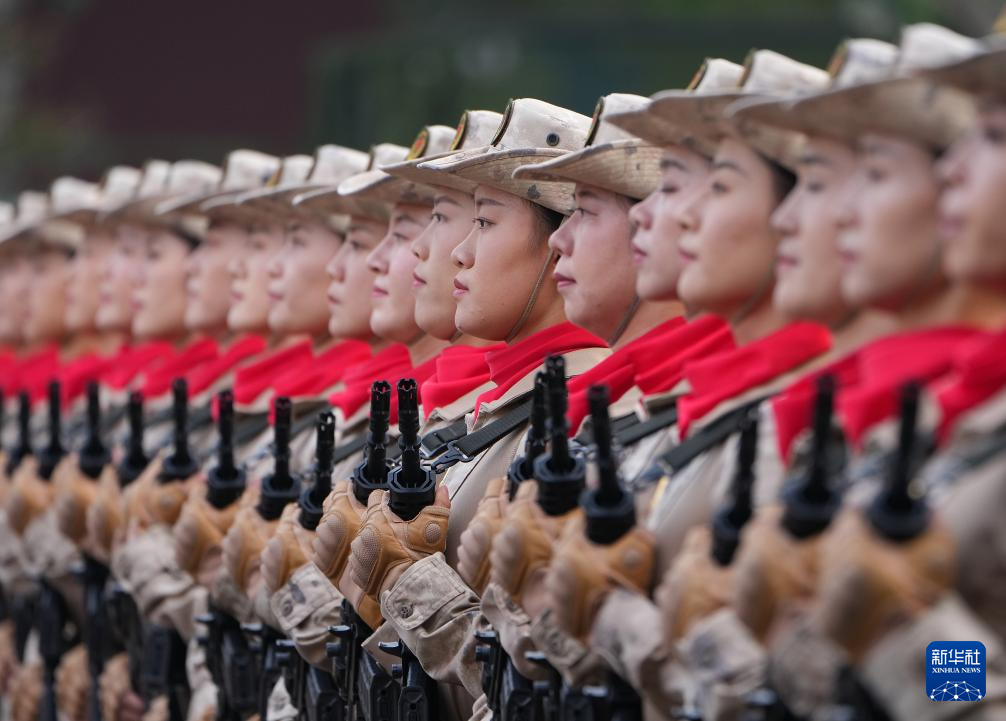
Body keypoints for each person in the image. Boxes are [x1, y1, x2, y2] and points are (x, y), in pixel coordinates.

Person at [337, 98, 610, 721]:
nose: (454, 252)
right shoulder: (489, 414)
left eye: (480, 221)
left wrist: (402, 584)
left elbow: (541, 683)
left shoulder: (577, 421)